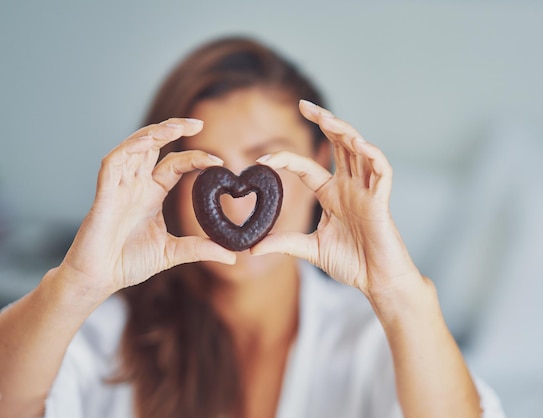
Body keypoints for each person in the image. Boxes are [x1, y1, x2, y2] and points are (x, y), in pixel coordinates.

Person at [0, 37, 505, 418]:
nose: (239, 197)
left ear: (319, 164)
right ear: (169, 180)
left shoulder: (371, 339)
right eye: (207, 161)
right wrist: (75, 286)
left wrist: (399, 294)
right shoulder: (100, 330)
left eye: (267, 156)